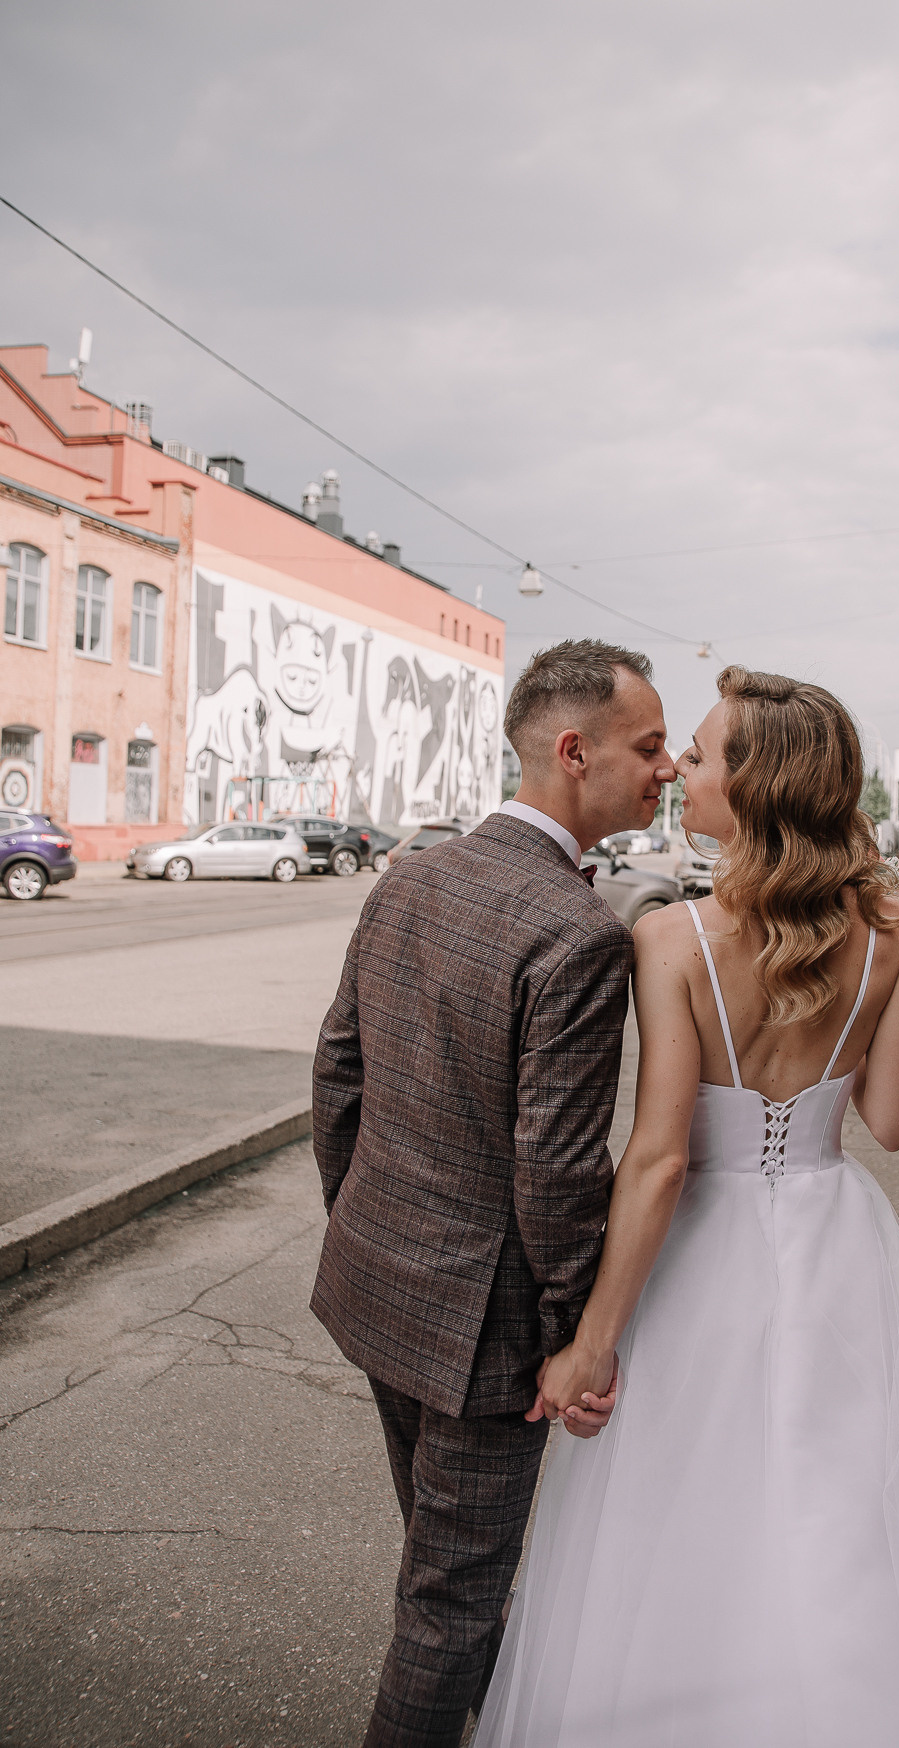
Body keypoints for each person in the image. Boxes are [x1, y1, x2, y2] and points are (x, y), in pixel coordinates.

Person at [475, 666, 899, 1748]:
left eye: (700, 757)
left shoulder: (669, 939)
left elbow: (660, 1159)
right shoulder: (887, 936)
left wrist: (593, 1345)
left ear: (754, 789)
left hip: (698, 1252)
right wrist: (892, 983)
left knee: (680, 1517)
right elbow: (890, 1122)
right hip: (834, 1236)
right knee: (838, 1510)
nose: (680, 772)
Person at [310, 638, 677, 1748]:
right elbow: (557, 1173)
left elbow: (337, 1075)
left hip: (378, 1289)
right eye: (648, 745)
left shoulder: (409, 876)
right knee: (452, 1602)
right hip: (485, 1340)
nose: (666, 766)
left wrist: (366, 1220)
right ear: (575, 752)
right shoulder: (575, 933)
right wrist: (575, 1338)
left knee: (441, 1566)